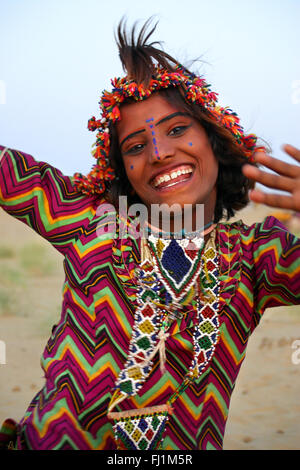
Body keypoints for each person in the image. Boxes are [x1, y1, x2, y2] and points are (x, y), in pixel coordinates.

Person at [0, 18, 299, 451]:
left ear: (215, 141)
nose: (159, 153)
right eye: (136, 147)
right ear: (122, 171)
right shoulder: (90, 222)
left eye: (178, 130)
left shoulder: (256, 258)